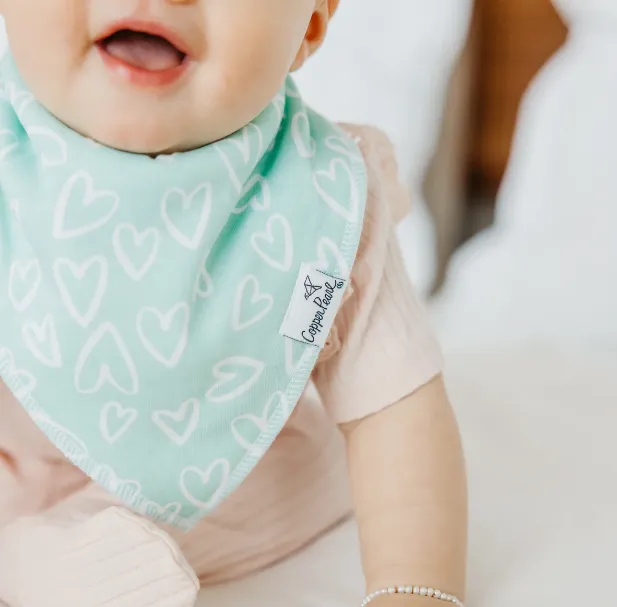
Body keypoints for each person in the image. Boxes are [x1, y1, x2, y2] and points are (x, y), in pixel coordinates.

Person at [0, 1, 467, 605]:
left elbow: (394, 409)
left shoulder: (319, 208)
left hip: (235, 468)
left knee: (267, 488)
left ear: (310, 26)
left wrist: (417, 589)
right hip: (20, 457)